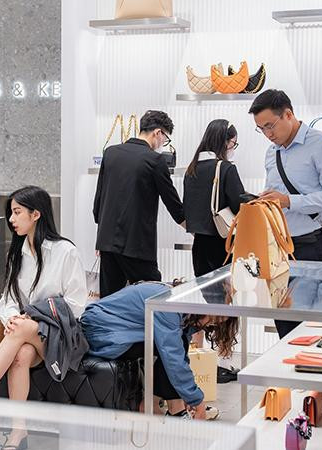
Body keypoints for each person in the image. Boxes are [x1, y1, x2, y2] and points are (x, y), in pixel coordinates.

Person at [0, 185, 87, 449]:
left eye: (17, 212)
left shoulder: (65, 251)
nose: (11, 219)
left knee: (22, 327)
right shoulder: (17, 253)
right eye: (11, 213)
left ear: (36, 214)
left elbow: (76, 306)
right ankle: (18, 431)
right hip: (28, 336)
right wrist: (12, 316)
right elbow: (8, 299)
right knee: (20, 355)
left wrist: (34, 318)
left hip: (60, 335)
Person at [249, 89, 322, 338]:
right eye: (261, 129)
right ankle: (287, 365)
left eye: (270, 126)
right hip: (277, 248)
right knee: (284, 324)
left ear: (288, 115)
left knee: (309, 327)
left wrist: (289, 201)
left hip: (311, 244)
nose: (268, 134)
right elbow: (278, 193)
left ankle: (308, 364)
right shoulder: (272, 152)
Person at [81, 281, 238, 420]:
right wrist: (195, 399)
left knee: (172, 346)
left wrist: (189, 395)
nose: (210, 325)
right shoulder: (170, 306)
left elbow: (179, 355)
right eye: (213, 320)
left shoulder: (182, 301)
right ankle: (174, 411)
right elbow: (173, 357)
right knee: (168, 350)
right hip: (101, 332)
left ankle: (154, 405)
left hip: (114, 329)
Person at [93, 110, 185, 297]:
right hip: (137, 244)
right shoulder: (155, 160)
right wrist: (191, 227)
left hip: (107, 241)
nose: (163, 144)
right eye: (165, 139)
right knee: (153, 296)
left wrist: (102, 234)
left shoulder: (111, 153)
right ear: (157, 133)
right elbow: (172, 202)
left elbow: (99, 200)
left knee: (110, 301)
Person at [183, 119, 245, 277]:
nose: (233, 148)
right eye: (233, 143)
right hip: (223, 241)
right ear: (225, 142)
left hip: (199, 243)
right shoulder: (226, 168)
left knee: (204, 287)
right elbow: (239, 205)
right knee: (226, 288)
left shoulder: (191, 169)